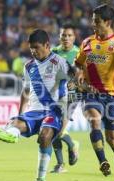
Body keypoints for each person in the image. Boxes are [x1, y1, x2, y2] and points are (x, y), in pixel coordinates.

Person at [0, 29, 73, 181]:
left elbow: (74, 85)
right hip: (34, 111)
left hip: (53, 110)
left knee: (44, 136)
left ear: (47, 45)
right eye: (31, 48)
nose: (33, 51)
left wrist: (65, 118)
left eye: (36, 47)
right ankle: (11, 133)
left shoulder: (60, 62)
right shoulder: (29, 66)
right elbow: (25, 92)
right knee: (15, 123)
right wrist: (20, 115)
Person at [75, 4, 114, 181]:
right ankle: (103, 162)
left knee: (112, 139)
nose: (93, 24)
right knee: (94, 120)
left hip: (113, 95)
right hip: (91, 92)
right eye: (93, 20)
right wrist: (78, 73)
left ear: (107, 22)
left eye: (97, 21)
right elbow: (78, 63)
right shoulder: (87, 43)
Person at [49, 23, 80, 173]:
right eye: (63, 35)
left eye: (69, 35)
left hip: (72, 96)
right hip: (55, 95)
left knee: (60, 130)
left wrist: (76, 83)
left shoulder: (79, 53)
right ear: (59, 37)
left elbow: (85, 74)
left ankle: (72, 145)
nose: (66, 38)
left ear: (74, 38)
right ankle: (60, 164)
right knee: (53, 129)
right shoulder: (53, 52)